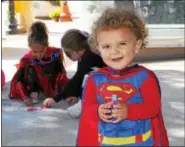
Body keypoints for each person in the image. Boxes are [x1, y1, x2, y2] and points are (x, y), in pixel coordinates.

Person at [76, 8, 169, 146]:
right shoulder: (94, 80)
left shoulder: (145, 78)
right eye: (106, 46)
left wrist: (129, 111)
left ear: (136, 46)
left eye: (122, 44)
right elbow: (87, 107)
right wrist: (97, 111)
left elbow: (153, 107)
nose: (114, 51)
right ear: (98, 48)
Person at [43, 29, 106, 117]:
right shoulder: (88, 52)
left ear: (74, 51)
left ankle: (83, 104)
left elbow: (78, 78)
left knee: (88, 78)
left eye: (67, 53)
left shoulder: (89, 58)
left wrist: (56, 98)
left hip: (110, 85)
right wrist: (74, 94)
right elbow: (79, 76)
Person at [9, 21, 69, 106]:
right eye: (35, 52)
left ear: (47, 46)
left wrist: (59, 89)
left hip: (51, 83)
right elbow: (19, 80)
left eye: (42, 51)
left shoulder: (55, 53)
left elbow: (61, 72)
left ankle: (53, 89)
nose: (38, 55)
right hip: (33, 84)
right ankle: (34, 92)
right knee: (31, 66)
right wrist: (25, 97)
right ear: (29, 47)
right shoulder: (26, 59)